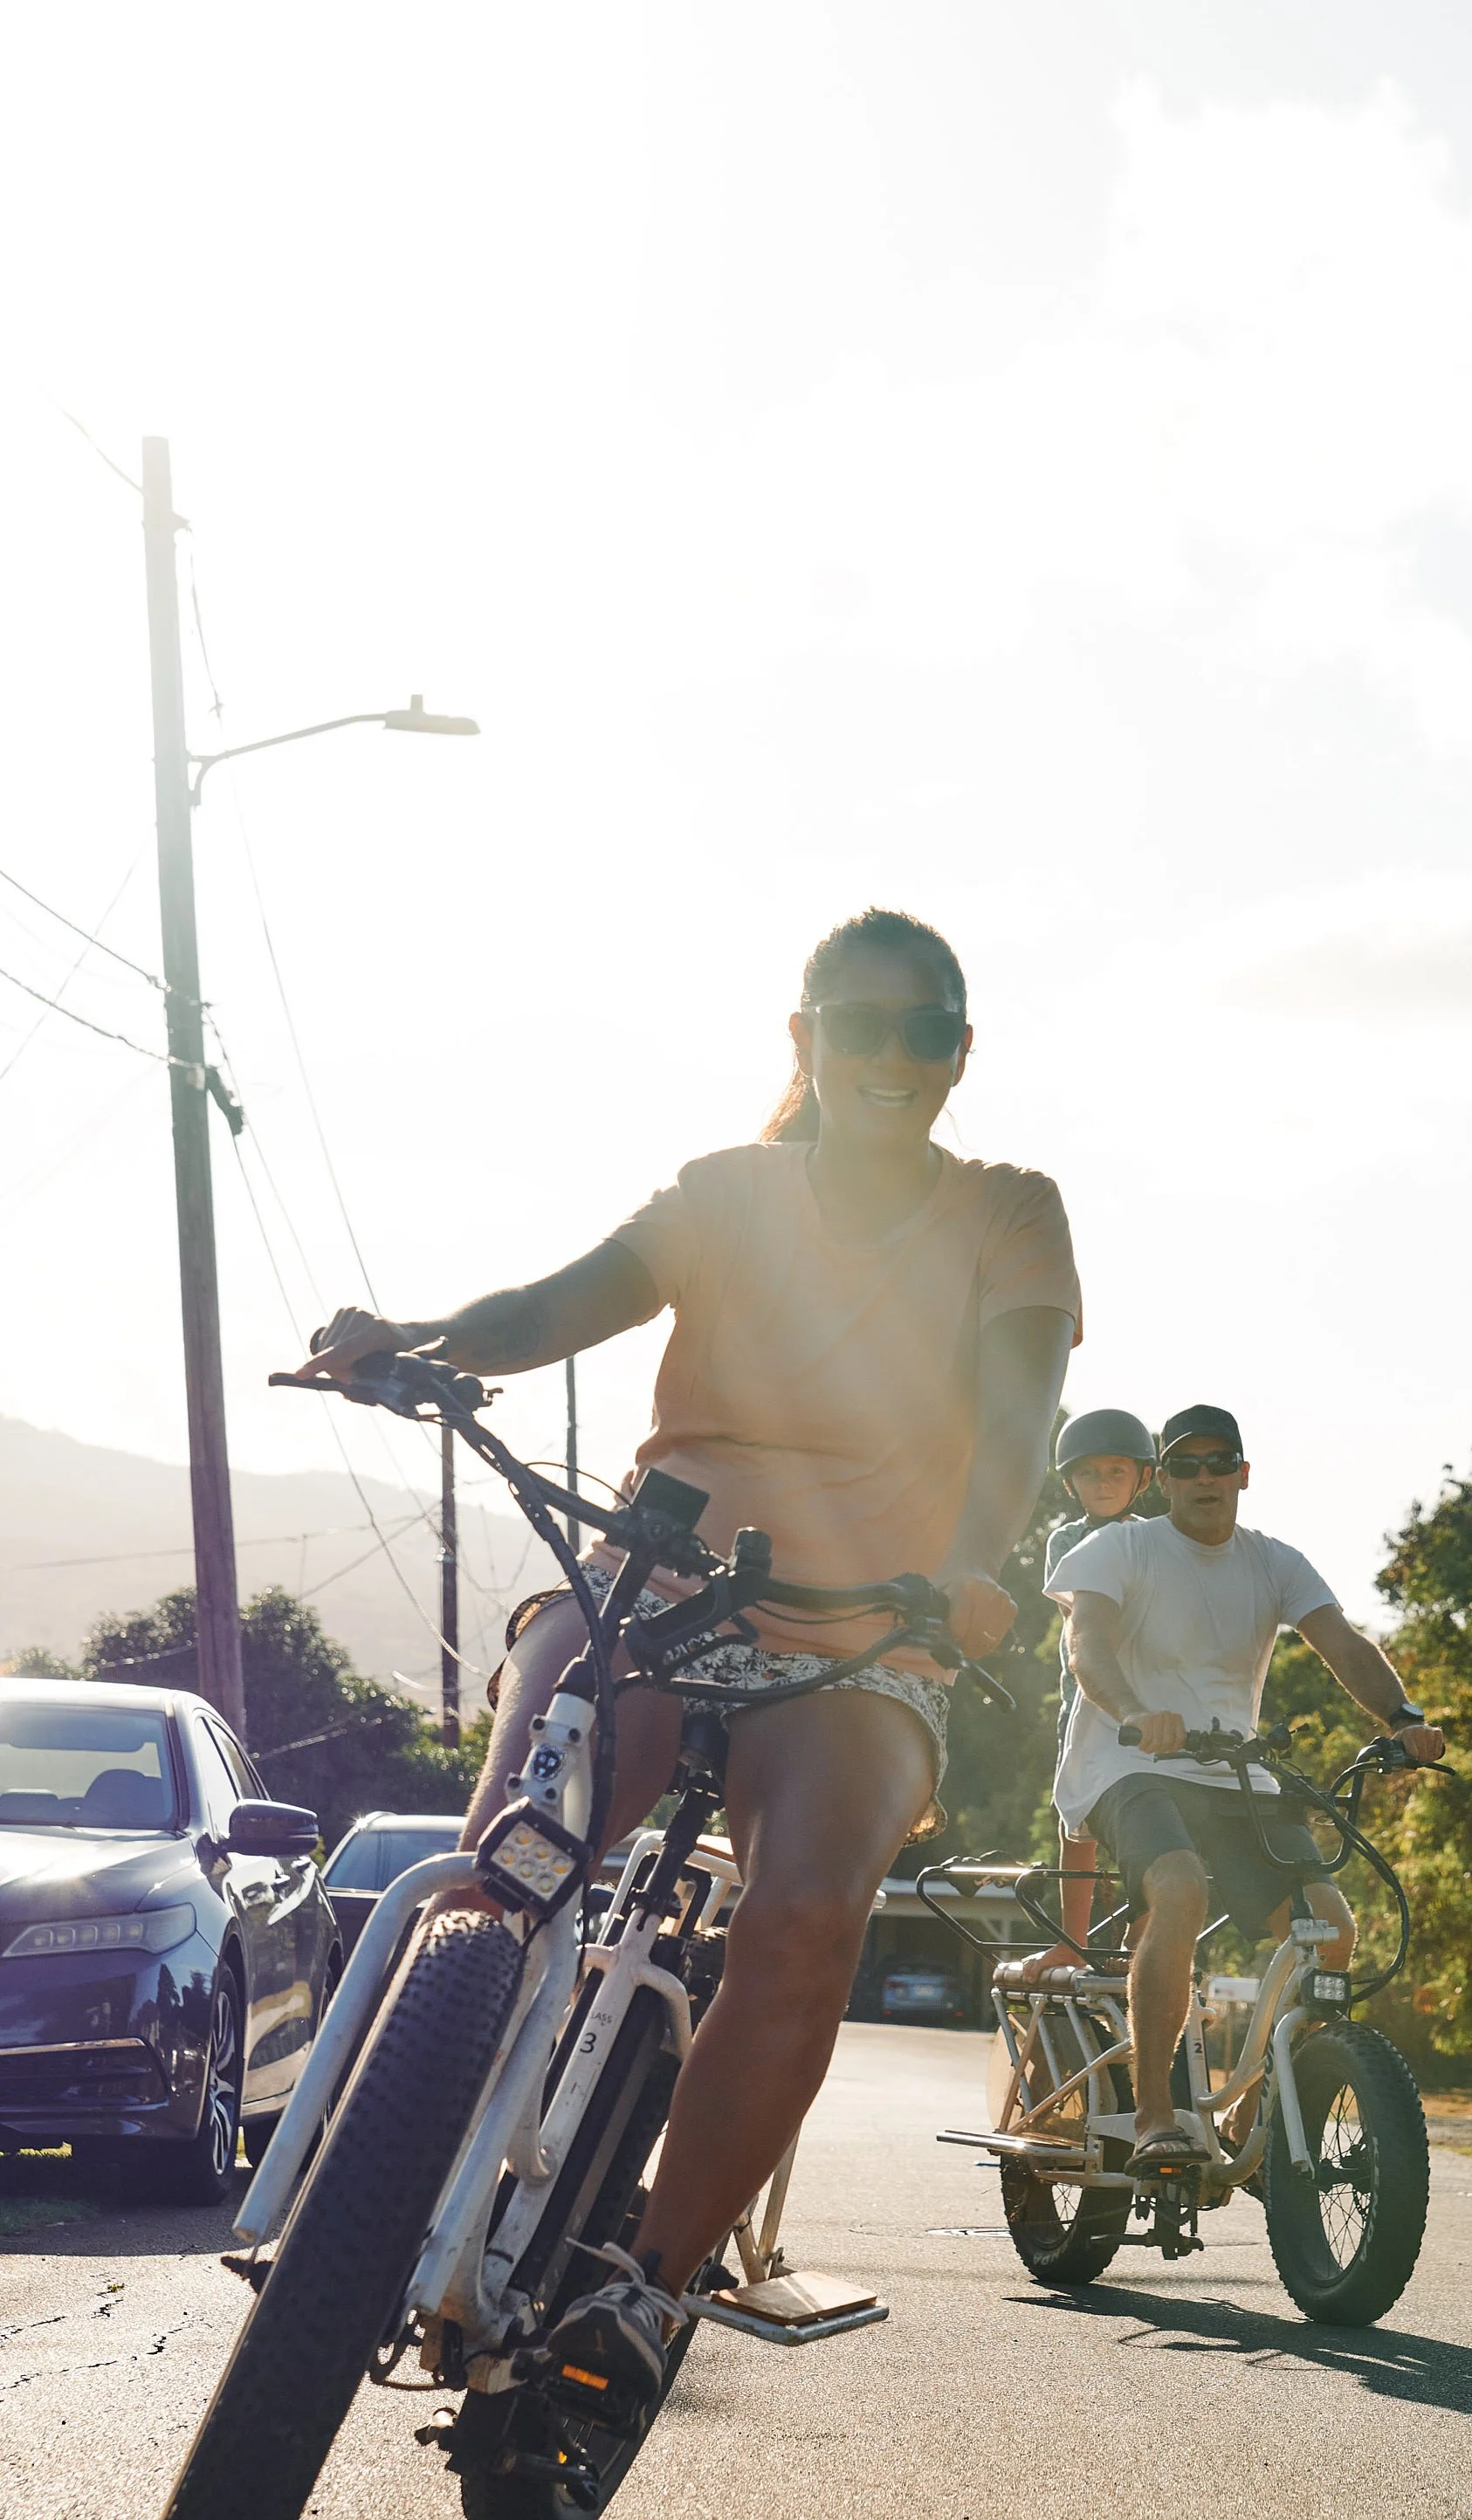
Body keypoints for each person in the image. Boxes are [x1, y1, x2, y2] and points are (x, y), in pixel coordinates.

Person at [296, 908, 1080, 2411]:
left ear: (958, 1053)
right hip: (658, 1583)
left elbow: (1016, 1410)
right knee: (517, 1854)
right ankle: (395, 2162)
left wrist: (969, 1566)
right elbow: (559, 1302)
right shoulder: (728, 1194)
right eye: (860, 1024)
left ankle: (645, 2294)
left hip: (872, 1629)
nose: (892, 1055)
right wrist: (424, 1337)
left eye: (926, 1031)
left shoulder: (1007, 1211)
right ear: (803, 1039)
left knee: (801, 1920)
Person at [1049, 1404, 1444, 2167]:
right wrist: (1133, 1712)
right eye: (1186, 1466)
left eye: (1219, 1463)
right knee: (1179, 1886)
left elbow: (1342, 1643)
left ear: (1244, 1474)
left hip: (1234, 1774)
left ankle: (1256, 2110)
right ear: (1162, 1478)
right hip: (1128, 1766)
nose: (1205, 1478)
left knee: (1332, 1932)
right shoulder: (1118, 1549)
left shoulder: (1275, 1563)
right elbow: (1084, 1642)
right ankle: (1157, 2116)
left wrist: (1402, 1718)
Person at [1031, 1408, 1156, 1966]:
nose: (1102, 1485)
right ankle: (1072, 1941)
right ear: (1068, 1482)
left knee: (1151, 1817)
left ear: (1143, 1479)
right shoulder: (1066, 1540)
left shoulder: (1158, 1541)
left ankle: (1143, 1935)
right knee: (1075, 1820)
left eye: (1116, 1473)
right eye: (1089, 1475)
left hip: (1149, 1699)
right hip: (1083, 1698)